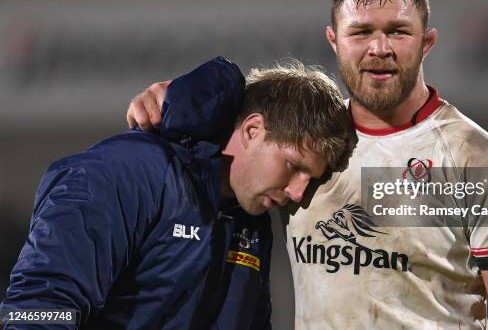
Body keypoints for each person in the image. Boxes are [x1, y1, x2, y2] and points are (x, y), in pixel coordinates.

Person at [127, 0, 488, 329]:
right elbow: (229, 130)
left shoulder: (480, 162)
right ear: (334, 40)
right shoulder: (303, 143)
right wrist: (170, 98)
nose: (379, 47)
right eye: (361, 31)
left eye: (398, 31)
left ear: (427, 42)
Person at [0, 57, 356, 329]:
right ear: (252, 130)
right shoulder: (122, 175)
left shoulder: (248, 218)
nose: (297, 192)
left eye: (310, 179)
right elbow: (38, 307)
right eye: (294, 166)